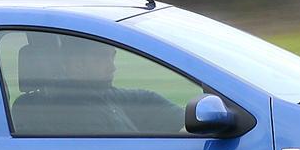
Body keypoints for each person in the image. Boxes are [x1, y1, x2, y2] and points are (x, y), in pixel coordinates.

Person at [12, 34, 185, 135]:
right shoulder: (72, 110)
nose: (112, 66)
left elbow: (146, 99)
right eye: (101, 58)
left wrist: (200, 119)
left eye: (112, 57)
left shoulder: (101, 94)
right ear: (75, 64)